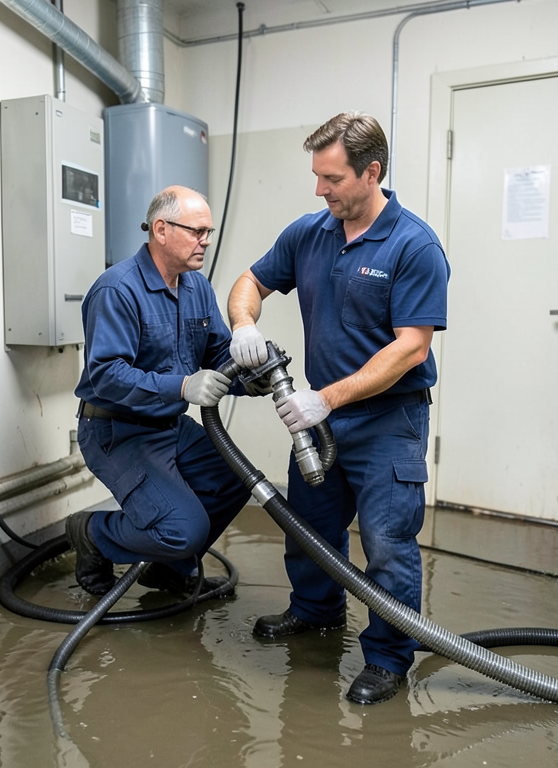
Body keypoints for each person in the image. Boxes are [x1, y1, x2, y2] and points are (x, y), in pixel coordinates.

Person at [227, 112, 450, 705]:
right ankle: (315, 612)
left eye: (331, 178)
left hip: (387, 421)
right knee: (309, 529)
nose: (319, 190)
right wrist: (244, 322)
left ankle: (387, 657)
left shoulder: (413, 245)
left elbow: (411, 347)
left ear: (371, 172)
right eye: (316, 177)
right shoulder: (310, 232)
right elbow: (250, 279)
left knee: (386, 542)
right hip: (320, 418)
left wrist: (324, 398)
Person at [67, 185, 252, 598]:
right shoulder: (117, 289)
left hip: (167, 425)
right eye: (197, 231)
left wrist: (251, 370)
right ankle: (94, 534)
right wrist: (184, 386)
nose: (205, 241)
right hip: (116, 431)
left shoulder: (196, 287)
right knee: (184, 530)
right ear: (162, 229)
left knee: (237, 479)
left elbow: (218, 352)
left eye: (209, 232)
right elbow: (107, 376)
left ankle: (169, 570)